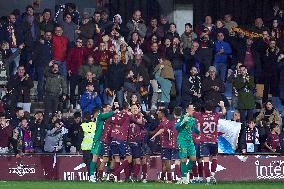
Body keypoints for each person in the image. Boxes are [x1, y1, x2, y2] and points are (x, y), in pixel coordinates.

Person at [193, 100, 226, 184]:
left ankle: (208, 180)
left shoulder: (200, 115)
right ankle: (212, 175)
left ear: (204, 107)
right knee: (214, 158)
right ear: (213, 108)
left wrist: (192, 107)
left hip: (204, 142)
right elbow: (224, 112)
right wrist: (222, 106)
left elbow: (191, 112)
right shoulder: (216, 115)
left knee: (206, 160)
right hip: (214, 141)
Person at [150, 108, 178, 183]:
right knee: (164, 162)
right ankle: (162, 178)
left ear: (162, 114)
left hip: (167, 145)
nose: (158, 114)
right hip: (166, 145)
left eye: (159, 113)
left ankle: (169, 179)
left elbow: (161, 130)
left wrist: (153, 136)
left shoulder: (165, 123)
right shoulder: (166, 122)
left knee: (166, 162)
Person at [89, 102, 115, 182]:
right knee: (95, 158)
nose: (110, 109)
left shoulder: (109, 117)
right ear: (104, 109)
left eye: (111, 108)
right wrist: (115, 111)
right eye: (108, 107)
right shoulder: (100, 115)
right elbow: (107, 115)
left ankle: (105, 175)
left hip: (107, 141)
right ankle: (91, 176)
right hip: (98, 140)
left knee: (108, 158)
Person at [175, 105, 200, 184]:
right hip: (182, 141)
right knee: (184, 159)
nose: (192, 111)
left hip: (190, 141)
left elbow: (193, 129)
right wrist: (183, 121)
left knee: (193, 158)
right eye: (191, 109)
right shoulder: (181, 118)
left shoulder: (193, 119)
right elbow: (177, 127)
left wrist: (199, 131)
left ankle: (183, 175)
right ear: (187, 110)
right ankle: (184, 177)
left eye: (193, 109)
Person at [66, 37, 87, 107]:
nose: (80, 43)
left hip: (81, 73)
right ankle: (72, 103)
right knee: (72, 88)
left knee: (81, 89)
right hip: (73, 72)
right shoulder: (72, 50)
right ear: (76, 42)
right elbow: (68, 60)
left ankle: (79, 102)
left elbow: (86, 60)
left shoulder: (83, 50)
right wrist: (69, 69)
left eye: (81, 42)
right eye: (78, 42)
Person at [80, 112, 97, 177]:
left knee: (88, 162)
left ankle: (91, 175)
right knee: (94, 161)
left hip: (86, 147)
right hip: (94, 146)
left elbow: (80, 137)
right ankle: (95, 175)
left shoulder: (83, 125)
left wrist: (78, 147)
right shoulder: (94, 124)